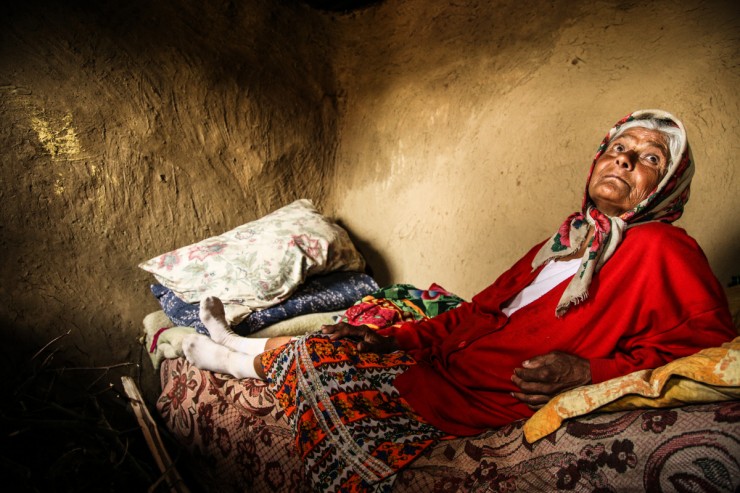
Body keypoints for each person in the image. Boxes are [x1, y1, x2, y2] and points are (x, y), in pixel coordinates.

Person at [182, 109, 736, 492]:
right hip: (449, 365)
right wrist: (391, 337)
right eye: (618, 149)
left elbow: (703, 353)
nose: (625, 161)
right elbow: (476, 314)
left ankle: (230, 352)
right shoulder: (564, 241)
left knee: (319, 363)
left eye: (650, 159)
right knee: (340, 344)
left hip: (481, 397)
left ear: (666, 188)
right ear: (596, 161)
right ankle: (236, 345)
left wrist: (587, 371)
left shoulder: (663, 249)